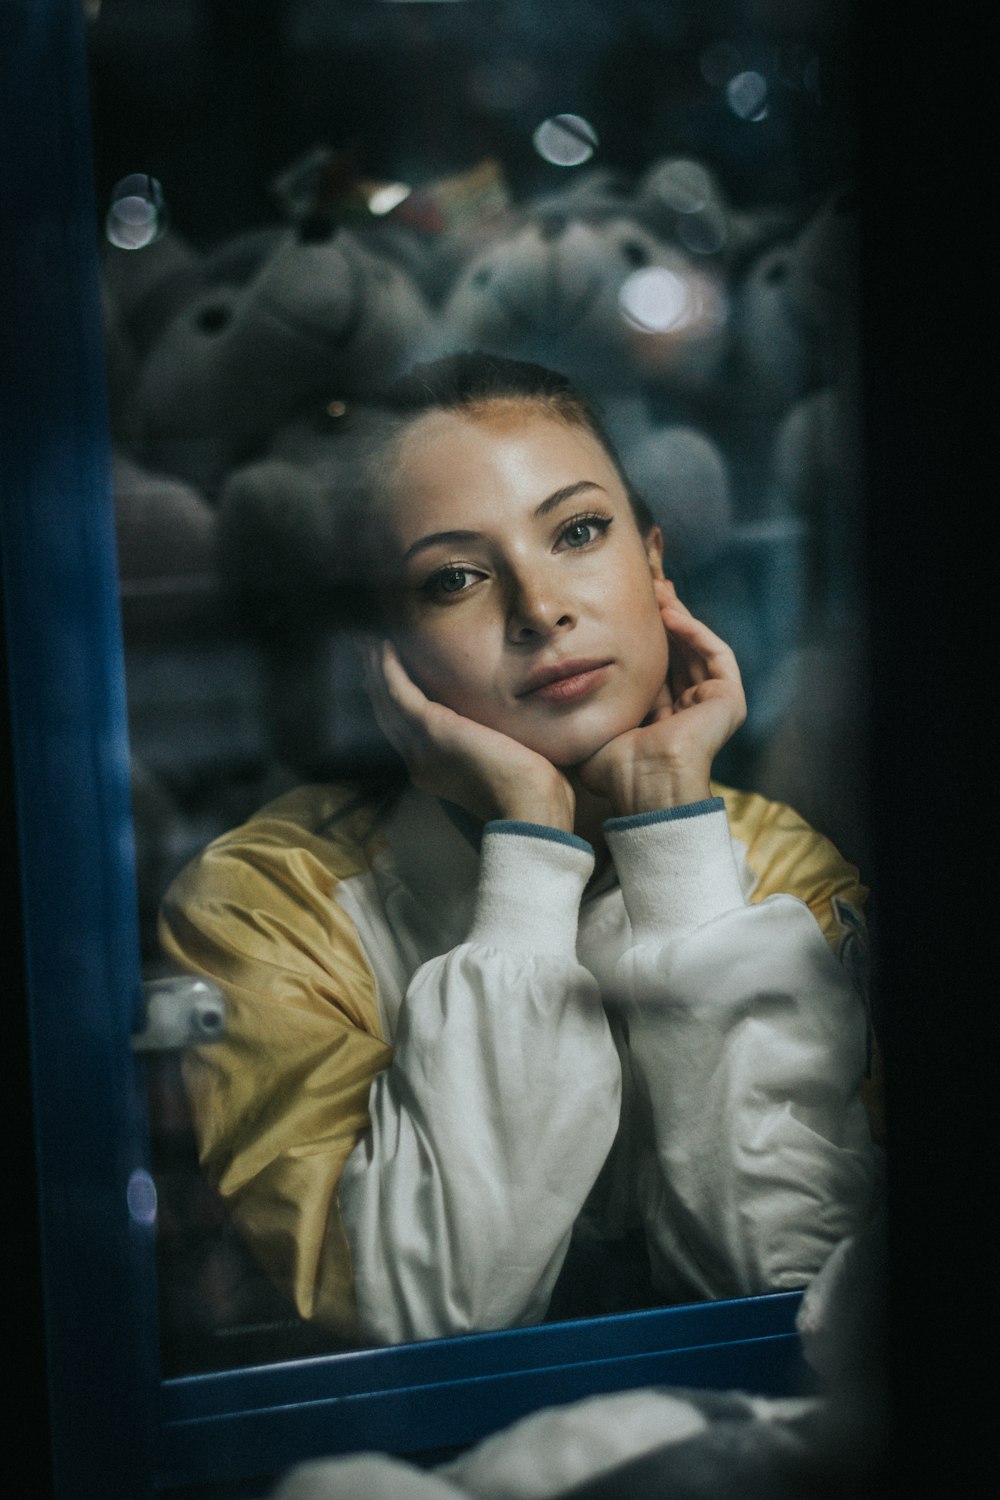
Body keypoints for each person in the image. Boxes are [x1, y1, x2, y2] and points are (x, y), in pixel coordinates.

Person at [158, 351, 882, 1349]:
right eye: (453, 578)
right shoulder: (267, 899)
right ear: (384, 655)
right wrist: (530, 843)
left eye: (579, 532)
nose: (540, 608)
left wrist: (671, 837)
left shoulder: (778, 867)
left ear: (655, 564)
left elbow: (800, 1299)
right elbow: (421, 1328)